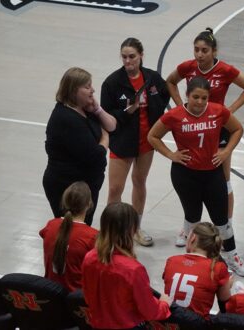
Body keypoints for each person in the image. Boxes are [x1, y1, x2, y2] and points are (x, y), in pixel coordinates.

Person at [148, 76, 244, 277]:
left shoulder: (218, 111)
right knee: (192, 218)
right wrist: (171, 154)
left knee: (222, 220)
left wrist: (226, 151)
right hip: (185, 175)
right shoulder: (175, 115)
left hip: (213, 174)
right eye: (196, 97)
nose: (200, 102)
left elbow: (238, 129)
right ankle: (193, 259)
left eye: (204, 98)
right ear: (187, 95)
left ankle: (232, 257)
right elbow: (153, 136)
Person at [166, 27, 244, 242]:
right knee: (190, 172)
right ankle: (189, 225)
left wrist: (230, 110)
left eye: (204, 50)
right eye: (196, 50)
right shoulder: (187, 67)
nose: (199, 54)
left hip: (217, 128)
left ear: (214, 51)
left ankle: (226, 225)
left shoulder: (224, 70)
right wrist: (181, 106)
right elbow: (170, 81)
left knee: (222, 178)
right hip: (193, 127)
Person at [101, 37, 170, 247]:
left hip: (146, 142)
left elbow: (164, 96)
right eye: (124, 57)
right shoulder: (112, 83)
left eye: (132, 56)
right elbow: (105, 115)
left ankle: (135, 228)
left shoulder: (153, 78)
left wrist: (156, 122)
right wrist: (126, 111)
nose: (128, 61)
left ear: (141, 56)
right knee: (115, 189)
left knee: (139, 182)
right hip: (122, 142)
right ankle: (110, 232)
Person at [43, 67, 116, 226]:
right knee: (73, 231)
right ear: (74, 90)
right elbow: (96, 157)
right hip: (68, 187)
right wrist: (104, 138)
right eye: (87, 86)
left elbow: (111, 126)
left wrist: (97, 110)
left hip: (86, 185)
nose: (93, 90)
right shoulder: (67, 119)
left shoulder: (84, 109)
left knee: (82, 228)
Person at [81, 202, 171, 329]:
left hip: (97, 323)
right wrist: (164, 304)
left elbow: (87, 294)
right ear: (132, 230)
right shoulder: (133, 269)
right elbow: (149, 311)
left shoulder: (89, 257)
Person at [162, 222, 231, 319]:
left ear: (193, 238)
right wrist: (228, 285)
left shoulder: (172, 260)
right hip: (197, 325)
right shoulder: (218, 268)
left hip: (168, 324)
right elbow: (226, 308)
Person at [39, 182, 98, 292]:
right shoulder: (93, 236)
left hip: (50, 292)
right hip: (76, 298)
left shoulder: (51, 225)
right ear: (89, 204)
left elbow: (45, 235)